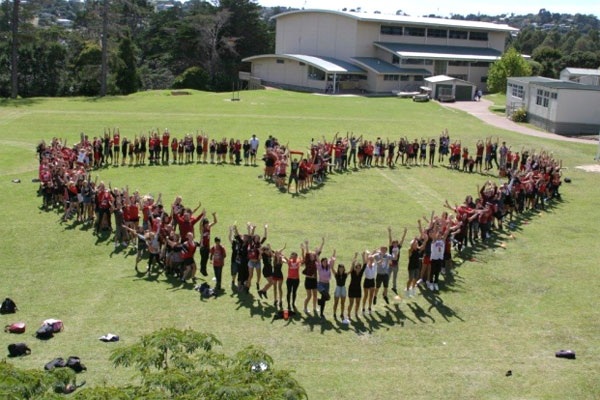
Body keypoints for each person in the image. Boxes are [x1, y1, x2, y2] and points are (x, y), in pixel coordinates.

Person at [302, 237, 324, 315]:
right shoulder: (307, 261)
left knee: (315, 295)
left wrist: (322, 242)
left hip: (314, 280)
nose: (312, 256)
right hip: (308, 280)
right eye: (311, 255)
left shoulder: (315, 261)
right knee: (309, 296)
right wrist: (307, 245)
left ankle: (314, 308)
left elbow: (319, 251)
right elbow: (307, 253)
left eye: (313, 255)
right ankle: (305, 308)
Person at [388, 226, 407, 294]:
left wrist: (405, 232)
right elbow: (390, 239)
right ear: (392, 244)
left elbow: (402, 239)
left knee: (395, 277)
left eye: (396, 243)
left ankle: (394, 287)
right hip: (390, 264)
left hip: (396, 264)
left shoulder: (398, 247)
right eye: (394, 243)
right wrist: (389, 232)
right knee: (388, 275)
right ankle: (386, 286)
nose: (395, 244)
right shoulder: (391, 247)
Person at [317, 249, 335, 318]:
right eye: (323, 262)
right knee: (326, 296)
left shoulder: (328, 267)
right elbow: (317, 259)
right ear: (321, 262)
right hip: (320, 284)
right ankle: (319, 301)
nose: (325, 263)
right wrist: (316, 254)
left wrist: (334, 253)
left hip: (327, 284)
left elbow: (332, 260)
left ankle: (321, 313)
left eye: (326, 262)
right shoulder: (319, 267)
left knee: (324, 299)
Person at [199, 212, 218, 277]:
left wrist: (214, 215)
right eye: (206, 224)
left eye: (207, 223)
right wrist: (203, 217)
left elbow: (215, 222)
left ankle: (204, 269)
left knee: (206, 258)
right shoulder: (202, 229)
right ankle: (202, 270)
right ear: (204, 224)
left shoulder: (209, 227)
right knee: (203, 258)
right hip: (202, 246)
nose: (207, 225)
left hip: (207, 246)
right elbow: (200, 224)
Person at [333, 255, 350, 321]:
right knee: (336, 302)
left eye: (342, 268)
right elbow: (332, 268)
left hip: (343, 288)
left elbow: (351, 270)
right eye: (340, 268)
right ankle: (334, 313)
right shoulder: (336, 274)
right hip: (338, 288)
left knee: (342, 302)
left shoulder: (345, 274)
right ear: (338, 268)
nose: (341, 269)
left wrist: (353, 262)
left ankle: (342, 314)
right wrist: (333, 260)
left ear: (344, 268)